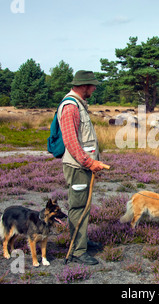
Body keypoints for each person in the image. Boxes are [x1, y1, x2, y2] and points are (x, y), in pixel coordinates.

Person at [58, 70, 106, 265]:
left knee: (84, 206)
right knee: (78, 207)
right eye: (92, 85)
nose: (94, 88)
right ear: (84, 86)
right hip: (78, 167)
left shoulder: (79, 104)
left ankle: (82, 240)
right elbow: (71, 142)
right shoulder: (70, 107)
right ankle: (77, 252)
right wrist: (89, 162)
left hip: (84, 167)